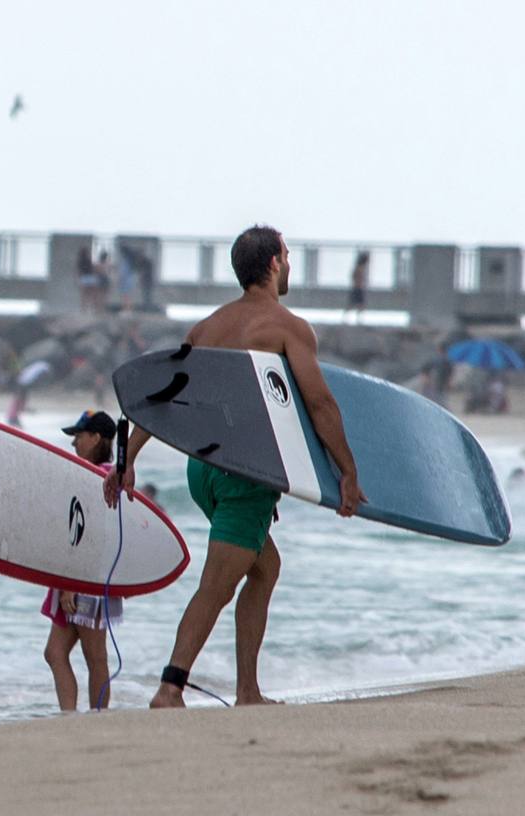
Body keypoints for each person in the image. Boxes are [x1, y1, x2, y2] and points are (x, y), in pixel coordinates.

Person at [105, 225, 364, 708]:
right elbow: (320, 403)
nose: (290, 263)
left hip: (202, 470)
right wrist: (347, 471)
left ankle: (247, 690)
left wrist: (128, 459)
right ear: (272, 264)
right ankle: (170, 687)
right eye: (287, 255)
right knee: (216, 586)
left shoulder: (207, 327)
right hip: (243, 473)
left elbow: (165, 400)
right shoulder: (287, 327)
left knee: (264, 568)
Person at [44, 410, 122, 711]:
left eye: (79, 437)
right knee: (55, 652)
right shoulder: (100, 474)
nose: (74, 443)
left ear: (96, 438)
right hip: (81, 578)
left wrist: (70, 584)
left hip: (86, 579)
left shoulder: (98, 477)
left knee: (95, 656)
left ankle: (97, 717)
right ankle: (72, 716)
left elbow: (91, 537)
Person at [346, 251, 370, 324]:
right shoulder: (359, 268)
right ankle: (355, 319)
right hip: (357, 288)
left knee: (357, 304)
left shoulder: (360, 267)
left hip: (358, 288)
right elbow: (355, 277)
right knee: (355, 304)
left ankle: (358, 319)